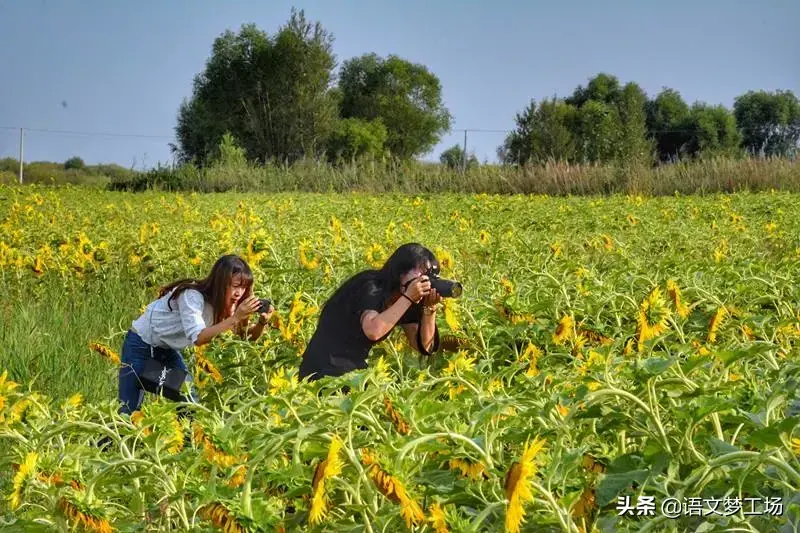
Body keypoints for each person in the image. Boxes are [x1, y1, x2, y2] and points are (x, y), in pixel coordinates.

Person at [118, 254, 274, 415]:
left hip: (167, 351)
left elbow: (245, 336)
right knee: (127, 413)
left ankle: (184, 438)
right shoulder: (192, 296)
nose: (239, 293)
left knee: (189, 397)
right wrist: (235, 318)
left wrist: (262, 323)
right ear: (220, 283)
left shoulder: (228, 304)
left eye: (243, 288)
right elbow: (198, 338)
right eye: (235, 286)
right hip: (140, 347)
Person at [299, 243, 443, 382]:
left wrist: (429, 309)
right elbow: (373, 330)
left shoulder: (406, 296)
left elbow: (424, 346)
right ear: (400, 272)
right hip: (323, 368)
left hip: (352, 371)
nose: (425, 282)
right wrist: (408, 297)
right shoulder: (372, 286)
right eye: (421, 275)